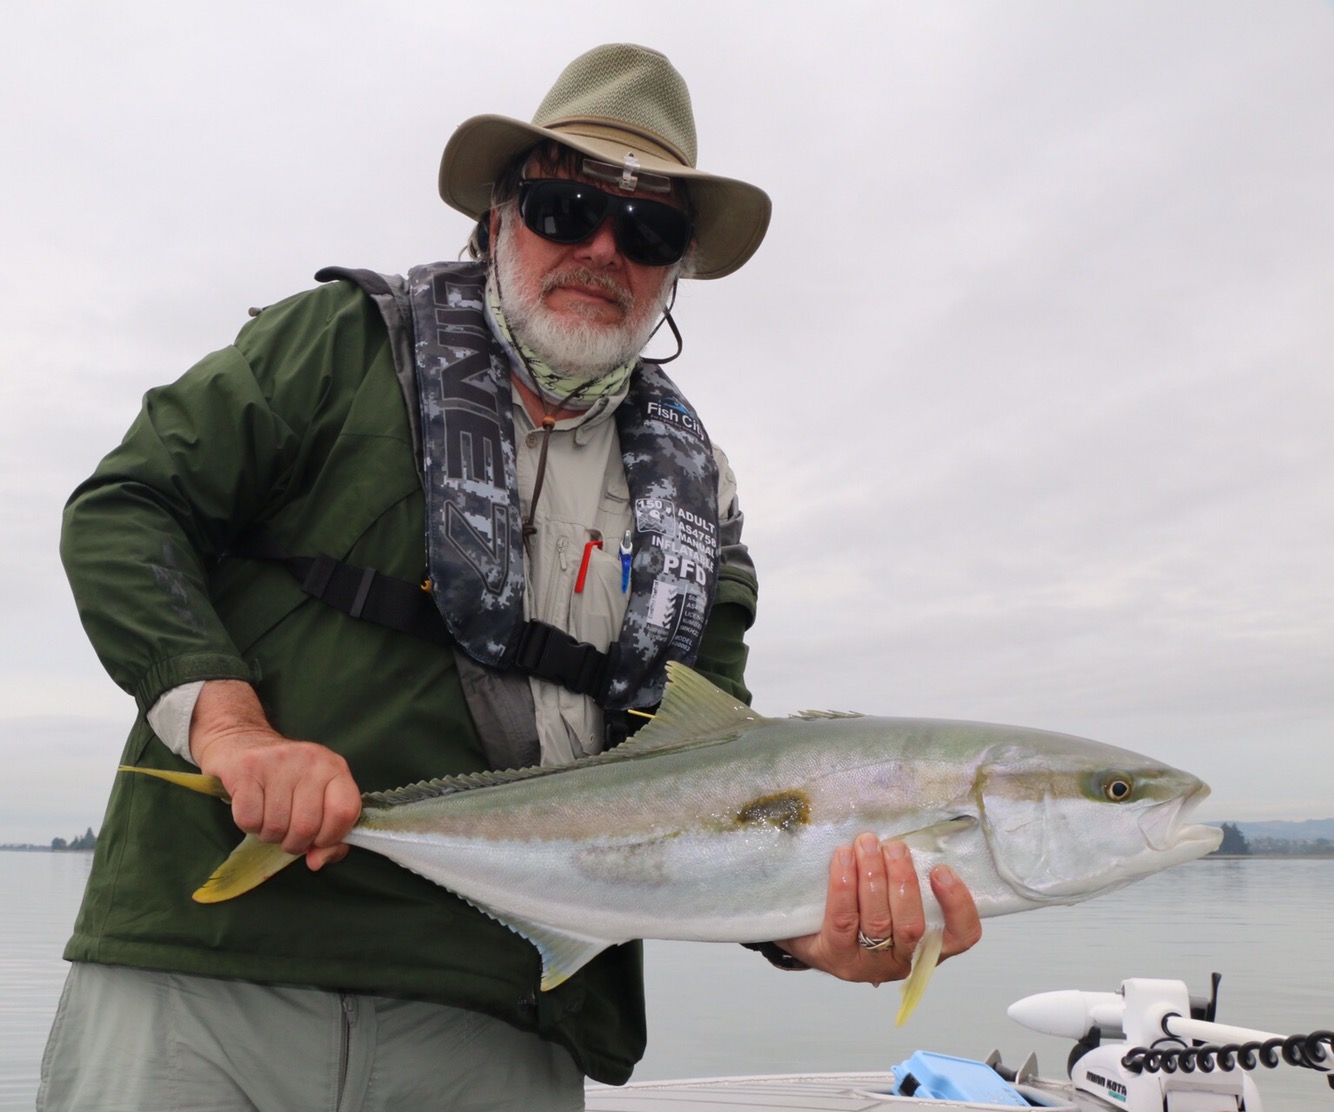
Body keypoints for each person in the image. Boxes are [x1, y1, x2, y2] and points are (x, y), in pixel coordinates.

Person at [41, 43, 981, 1111]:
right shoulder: (338, 348)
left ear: (674, 271)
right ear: (496, 219)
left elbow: (707, 762)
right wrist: (232, 731)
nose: (601, 248)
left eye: (647, 230)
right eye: (563, 207)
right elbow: (128, 508)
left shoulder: (698, 496)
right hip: (210, 983)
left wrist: (802, 926)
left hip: (503, 1018)